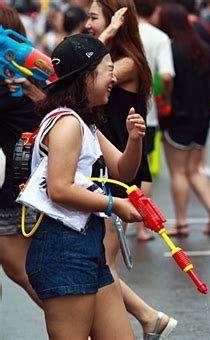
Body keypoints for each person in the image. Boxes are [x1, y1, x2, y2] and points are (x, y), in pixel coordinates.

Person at [25, 33, 143, 339]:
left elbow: (123, 170)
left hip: (87, 244)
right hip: (63, 248)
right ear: (85, 77)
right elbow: (60, 189)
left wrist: (134, 140)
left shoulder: (84, 123)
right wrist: (113, 205)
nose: (114, 77)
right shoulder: (66, 124)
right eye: (107, 69)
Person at [85, 0, 177, 337]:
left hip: (118, 170)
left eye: (94, 17)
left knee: (102, 266)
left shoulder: (126, 64)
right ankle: (148, 317)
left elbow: (81, 76)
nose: (88, 24)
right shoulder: (116, 59)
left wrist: (105, 34)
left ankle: (143, 319)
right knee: (100, 264)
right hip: (106, 166)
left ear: (115, 22)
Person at [157, 2, 210, 237]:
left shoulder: (170, 50)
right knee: (194, 169)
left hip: (177, 119)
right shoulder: (202, 47)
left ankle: (182, 222)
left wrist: (168, 101)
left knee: (178, 172)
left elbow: (166, 81)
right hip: (202, 119)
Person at [0, 5, 43, 310]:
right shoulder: (28, 74)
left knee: (22, 269)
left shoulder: (10, 83)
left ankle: (84, 326)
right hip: (25, 181)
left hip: (11, 187)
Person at [134, 0, 175, 242]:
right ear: (155, 10)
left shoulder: (122, 32)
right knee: (144, 169)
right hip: (147, 112)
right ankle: (141, 227)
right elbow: (167, 75)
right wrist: (164, 98)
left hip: (118, 110)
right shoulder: (159, 37)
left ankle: (120, 225)